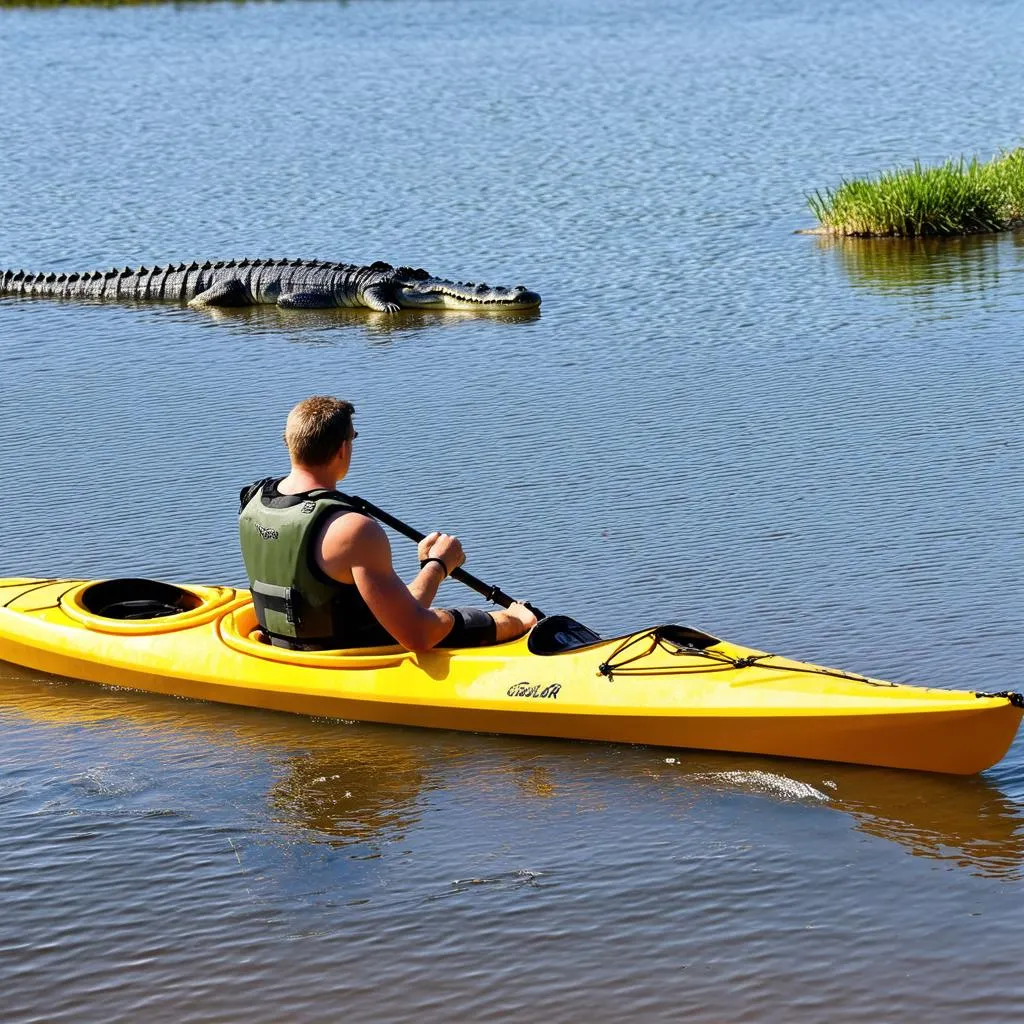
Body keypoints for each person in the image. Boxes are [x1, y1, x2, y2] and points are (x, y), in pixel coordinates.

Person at [239, 395, 537, 652]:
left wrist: (434, 568)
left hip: (282, 648)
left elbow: (392, 610)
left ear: (288, 442)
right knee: (490, 619)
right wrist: (513, 619)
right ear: (343, 449)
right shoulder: (353, 529)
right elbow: (417, 635)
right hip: (347, 656)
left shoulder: (252, 501)